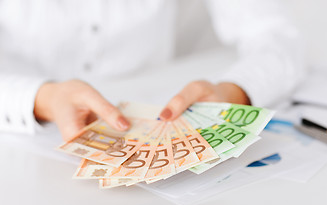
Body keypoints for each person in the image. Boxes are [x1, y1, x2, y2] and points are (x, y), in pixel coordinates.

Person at [0, 0, 304, 140]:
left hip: (156, 122)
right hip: (16, 137)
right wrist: (41, 98)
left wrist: (234, 90)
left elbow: (276, 37)